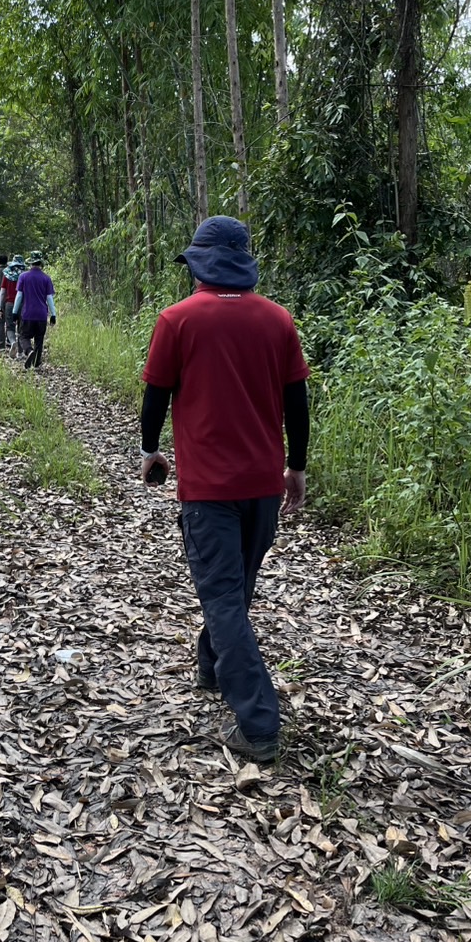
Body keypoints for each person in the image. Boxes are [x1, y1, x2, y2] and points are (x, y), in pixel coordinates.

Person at [139, 216, 310, 764]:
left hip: (208, 489)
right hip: (262, 486)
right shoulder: (277, 319)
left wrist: (150, 451)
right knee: (235, 589)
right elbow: (298, 402)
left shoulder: (178, 320)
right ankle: (212, 667)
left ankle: (258, 725)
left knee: (222, 596)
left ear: (200, 266)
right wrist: (297, 468)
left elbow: (156, 396)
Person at [13, 252, 57, 370]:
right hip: (42, 314)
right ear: (41, 263)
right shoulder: (46, 278)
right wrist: (53, 315)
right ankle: (36, 363)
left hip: (27, 313)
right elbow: (49, 298)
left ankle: (29, 351)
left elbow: (19, 296)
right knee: (39, 339)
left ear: (31, 263)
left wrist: (14, 312)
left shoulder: (23, 276)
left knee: (23, 336)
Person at [0, 256, 25, 355]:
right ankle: (20, 352)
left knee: (10, 327)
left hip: (9, 304)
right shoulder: (25, 275)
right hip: (22, 304)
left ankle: (13, 342)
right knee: (21, 327)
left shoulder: (7, 275)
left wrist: (0, 306)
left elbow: (2, 292)